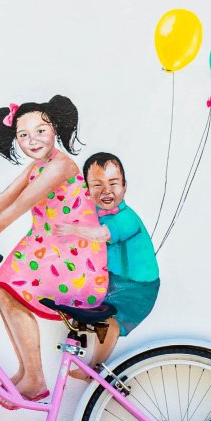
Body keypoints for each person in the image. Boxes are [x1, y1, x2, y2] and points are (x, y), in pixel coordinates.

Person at [0, 96, 108, 405]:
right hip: (46, 247)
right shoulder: (39, 166)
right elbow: (5, 198)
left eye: (40, 131)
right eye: (23, 135)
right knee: (2, 291)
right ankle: (27, 371)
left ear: (55, 129)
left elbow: (19, 207)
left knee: (11, 290)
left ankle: (35, 379)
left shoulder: (61, 166)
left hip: (74, 254)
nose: (32, 140)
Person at [55, 152, 160, 380]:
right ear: (88, 189)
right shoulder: (91, 213)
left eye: (113, 183)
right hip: (111, 279)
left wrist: (73, 230)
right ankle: (80, 345)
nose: (106, 190)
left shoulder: (127, 218)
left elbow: (102, 235)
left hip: (137, 286)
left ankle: (95, 368)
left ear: (124, 187)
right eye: (97, 184)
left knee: (111, 320)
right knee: (79, 306)